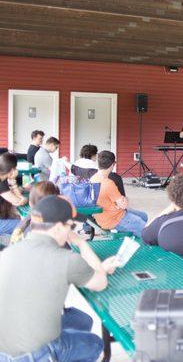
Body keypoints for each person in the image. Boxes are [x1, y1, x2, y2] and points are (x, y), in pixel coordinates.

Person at [0, 196, 119, 362]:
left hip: (3, 348)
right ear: (57, 228)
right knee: (95, 344)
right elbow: (101, 283)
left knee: (82, 321)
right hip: (33, 354)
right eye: (70, 226)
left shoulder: (9, 252)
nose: (72, 231)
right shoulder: (67, 259)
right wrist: (82, 244)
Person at [91, 151, 148, 236]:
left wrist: (118, 204)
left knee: (144, 216)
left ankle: (135, 236)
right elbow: (124, 205)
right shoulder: (108, 183)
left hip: (102, 217)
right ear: (113, 165)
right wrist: (124, 200)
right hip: (114, 219)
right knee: (147, 230)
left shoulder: (93, 178)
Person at [0, 153, 27, 237]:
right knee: (27, 225)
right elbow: (19, 201)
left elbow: (13, 195)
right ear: (12, 170)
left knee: (20, 217)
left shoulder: (2, 178)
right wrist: (13, 179)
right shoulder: (1, 183)